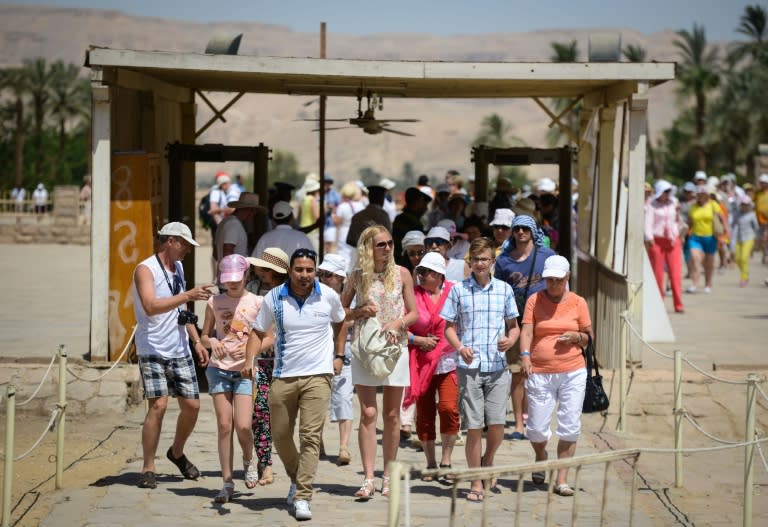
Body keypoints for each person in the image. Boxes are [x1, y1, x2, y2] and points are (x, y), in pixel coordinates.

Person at [245, 248, 346, 521]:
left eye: (309, 270)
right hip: (284, 374)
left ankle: (302, 496)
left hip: (319, 376)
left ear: (316, 271)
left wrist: (338, 355)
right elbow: (258, 330)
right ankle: (296, 476)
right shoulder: (274, 297)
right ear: (290, 271)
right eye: (299, 269)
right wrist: (248, 358)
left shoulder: (328, 295)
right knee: (279, 434)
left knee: (310, 437)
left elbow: (341, 321)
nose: (304, 275)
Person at [131, 222, 214, 489]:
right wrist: (188, 294)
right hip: (152, 346)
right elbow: (151, 306)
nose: (189, 249)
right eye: (186, 244)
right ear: (170, 241)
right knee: (159, 405)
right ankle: (148, 467)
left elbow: (182, 308)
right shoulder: (145, 269)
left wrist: (196, 340)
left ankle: (176, 452)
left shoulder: (177, 268)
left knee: (193, 405)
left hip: (179, 346)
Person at [340, 225, 418, 499]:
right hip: (364, 349)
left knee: (393, 414)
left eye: (389, 243)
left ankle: (388, 476)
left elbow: (414, 313)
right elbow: (341, 312)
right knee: (369, 413)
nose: (387, 248)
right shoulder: (356, 277)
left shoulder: (402, 274)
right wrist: (360, 310)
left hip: (395, 349)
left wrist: (398, 322)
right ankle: (368, 477)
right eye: (380, 244)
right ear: (368, 249)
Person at [441, 237, 519, 503]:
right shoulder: (458, 290)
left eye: (484, 259)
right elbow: (448, 328)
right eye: (475, 259)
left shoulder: (505, 290)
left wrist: (511, 340)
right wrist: (460, 347)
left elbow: (514, 325)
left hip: (498, 366)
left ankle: (488, 461)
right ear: (469, 262)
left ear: (492, 262)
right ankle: (475, 481)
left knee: (496, 424)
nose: (480, 264)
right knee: (474, 426)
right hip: (470, 366)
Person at [519, 255, 592, 497]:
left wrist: (575, 337)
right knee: (536, 429)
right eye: (549, 279)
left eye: (557, 280)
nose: (552, 284)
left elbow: (589, 337)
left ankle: (562, 478)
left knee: (570, 425)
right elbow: (527, 331)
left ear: (567, 278)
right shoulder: (534, 300)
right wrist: (526, 356)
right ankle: (541, 454)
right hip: (540, 370)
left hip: (572, 371)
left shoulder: (578, 302)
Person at [200, 254, 265, 503]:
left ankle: (249, 461)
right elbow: (205, 335)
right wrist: (212, 341)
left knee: (244, 425)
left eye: (237, 279)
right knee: (224, 425)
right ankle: (227, 481)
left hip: (245, 371)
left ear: (246, 275)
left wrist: (252, 349)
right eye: (228, 280)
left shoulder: (258, 302)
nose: (233, 284)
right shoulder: (214, 302)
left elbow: (269, 337)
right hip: (218, 369)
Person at [494, 215, 555, 440]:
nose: (521, 232)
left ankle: (537, 419)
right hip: (516, 323)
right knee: (518, 373)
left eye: (525, 228)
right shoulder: (503, 261)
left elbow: (561, 285)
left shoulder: (548, 256)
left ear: (532, 231)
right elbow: (499, 290)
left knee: (540, 373)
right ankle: (519, 424)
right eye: (517, 228)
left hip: (544, 321)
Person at [406, 252, 459, 479]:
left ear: (439, 275)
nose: (420, 275)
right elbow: (402, 326)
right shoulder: (412, 295)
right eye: (419, 271)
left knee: (449, 409)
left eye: (425, 272)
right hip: (421, 362)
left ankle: (446, 460)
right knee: (425, 414)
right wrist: (418, 340)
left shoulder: (455, 292)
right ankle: (430, 462)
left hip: (449, 361)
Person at [246, 247, 290, 486]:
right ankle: (266, 464)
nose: (259, 271)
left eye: (264, 268)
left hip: (285, 362)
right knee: (260, 413)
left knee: (282, 416)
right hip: (261, 362)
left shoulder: (287, 294)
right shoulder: (251, 289)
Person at [318, 254, 354, 465]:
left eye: (327, 274)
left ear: (340, 277)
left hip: (346, 351)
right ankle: (318, 442)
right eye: (321, 273)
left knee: (344, 398)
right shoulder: (315, 295)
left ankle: (343, 445)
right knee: (317, 397)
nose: (323, 278)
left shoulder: (352, 298)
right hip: (320, 350)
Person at [644, 180, 684, 313]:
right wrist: (649, 238)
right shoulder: (652, 205)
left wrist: (678, 215)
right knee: (658, 275)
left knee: (676, 274)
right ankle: (658, 304)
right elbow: (648, 223)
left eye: (669, 191)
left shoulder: (673, 203)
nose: (667, 194)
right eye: (665, 191)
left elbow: (677, 221)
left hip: (672, 241)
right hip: (657, 242)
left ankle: (678, 304)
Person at [214, 193, 262, 285]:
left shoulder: (225, 222)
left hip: (228, 281)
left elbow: (216, 254)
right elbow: (227, 251)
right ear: (250, 210)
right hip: (233, 282)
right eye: (254, 212)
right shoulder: (234, 224)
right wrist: (234, 278)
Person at [687, 185, 725, 293]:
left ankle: (708, 284)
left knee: (709, 263)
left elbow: (722, 219)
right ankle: (694, 284)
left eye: (703, 194)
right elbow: (689, 222)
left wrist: (724, 235)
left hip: (711, 237)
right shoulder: (693, 207)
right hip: (695, 237)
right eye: (698, 194)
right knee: (695, 259)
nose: (700, 196)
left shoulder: (713, 205)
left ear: (707, 195)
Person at [392, 187, 432, 257]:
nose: (425, 208)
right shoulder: (415, 223)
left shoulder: (399, 218)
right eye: (422, 203)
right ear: (416, 203)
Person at [731, 194, 759, 287]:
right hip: (739, 239)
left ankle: (744, 277)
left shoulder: (752, 215)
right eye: (743, 204)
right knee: (738, 259)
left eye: (746, 204)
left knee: (744, 258)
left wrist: (756, 240)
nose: (744, 206)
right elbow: (733, 225)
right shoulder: (737, 214)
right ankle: (745, 273)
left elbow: (756, 228)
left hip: (749, 238)